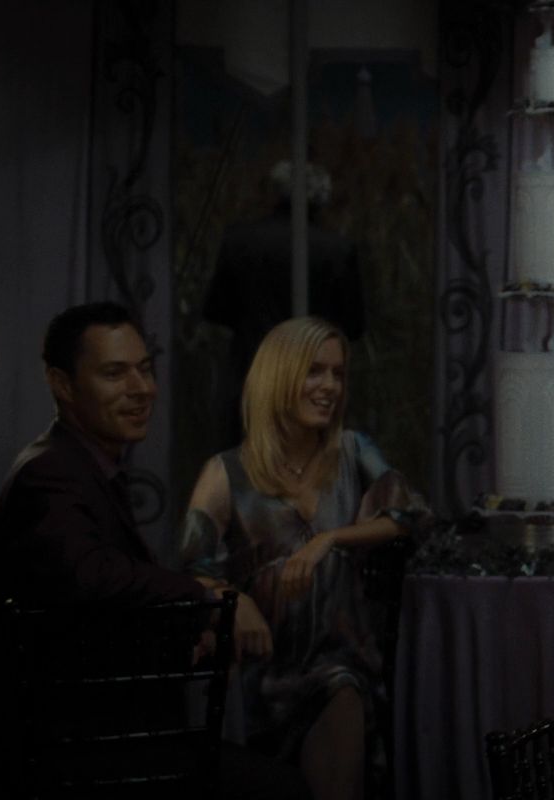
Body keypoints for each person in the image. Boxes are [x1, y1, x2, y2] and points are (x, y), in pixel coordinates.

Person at [0, 301, 301, 797]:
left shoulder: (84, 464)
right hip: (77, 753)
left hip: (100, 733)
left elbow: (91, 611)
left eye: (145, 370)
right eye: (114, 373)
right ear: (62, 384)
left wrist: (186, 633)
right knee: (285, 789)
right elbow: (92, 576)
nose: (141, 388)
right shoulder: (51, 472)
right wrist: (207, 597)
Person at [178, 316, 425, 800]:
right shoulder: (226, 473)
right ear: (278, 375)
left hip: (339, 660)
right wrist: (233, 598)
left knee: (341, 688)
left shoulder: (353, 451)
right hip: (261, 670)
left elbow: (410, 515)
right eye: (315, 371)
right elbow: (191, 569)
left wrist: (330, 538)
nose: (330, 386)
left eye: (338, 374)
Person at [205, 160, 366, 441]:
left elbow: (216, 310)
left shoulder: (239, 241)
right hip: (313, 381)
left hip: (251, 372)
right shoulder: (337, 250)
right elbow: (353, 325)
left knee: (249, 458)